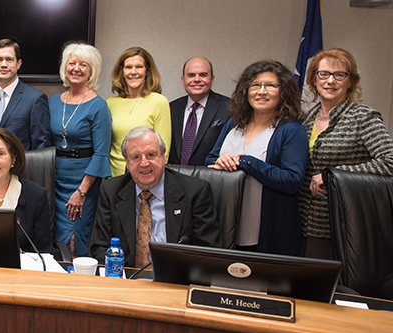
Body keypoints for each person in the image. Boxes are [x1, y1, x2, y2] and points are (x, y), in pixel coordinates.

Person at [298, 48, 393, 259]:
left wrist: (332, 175)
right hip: (303, 224)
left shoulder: (362, 117)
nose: (330, 81)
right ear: (314, 79)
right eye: (323, 74)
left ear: (350, 82)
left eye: (339, 75)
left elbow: (390, 162)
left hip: (341, 226)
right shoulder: (306, 119)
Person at [206, 60, 308, 256]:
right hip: (225, 222)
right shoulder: (234, 123)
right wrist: (219, 161)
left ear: (283, 91)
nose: (262, 91)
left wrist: (247, 163)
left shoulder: (292, 130)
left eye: (270, 85)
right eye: (255, 85)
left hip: (268, 231)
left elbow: (292, 180)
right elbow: (210, 159)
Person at [90, 127, 221, 266]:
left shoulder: (195, 192)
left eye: (151, 155)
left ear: (163, 156)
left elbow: (209, 252)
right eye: (136, 157)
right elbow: (99, 249)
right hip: (126, 278)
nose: (144, 163)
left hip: (175, 279)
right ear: (127, 162)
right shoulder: (111, 191)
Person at [49, 43, 112, 256]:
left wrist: (82, 191)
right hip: (55, 180)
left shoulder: (99, 106)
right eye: (72, 63)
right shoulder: (54, 102)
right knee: (55, 238)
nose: (76, 68)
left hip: (82, 182)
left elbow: (101, 153)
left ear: (91, 71)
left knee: (74, 238)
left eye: (83, 65)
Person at [107, 47, 171, 176]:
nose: (133, 72)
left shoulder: (159, 102)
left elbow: (164, 152)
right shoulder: (109, 103)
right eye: (128, 67)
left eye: (139, 67)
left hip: (145, 177)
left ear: (147, 71)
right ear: (121, 71)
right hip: (112, 178)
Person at [0, 39, 50, 150]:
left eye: (9, 59)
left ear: (18, 64)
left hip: (21, 166)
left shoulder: (35, 99)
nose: (3, 64)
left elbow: (40, 147)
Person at [168, 57, 232, 166]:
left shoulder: (230, 108)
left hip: (210, 179)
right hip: (175, 179)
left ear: (212, 80)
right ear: (183, 81)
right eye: (191, 75)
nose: (197, 79)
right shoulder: (171, 108)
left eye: (203, 75)